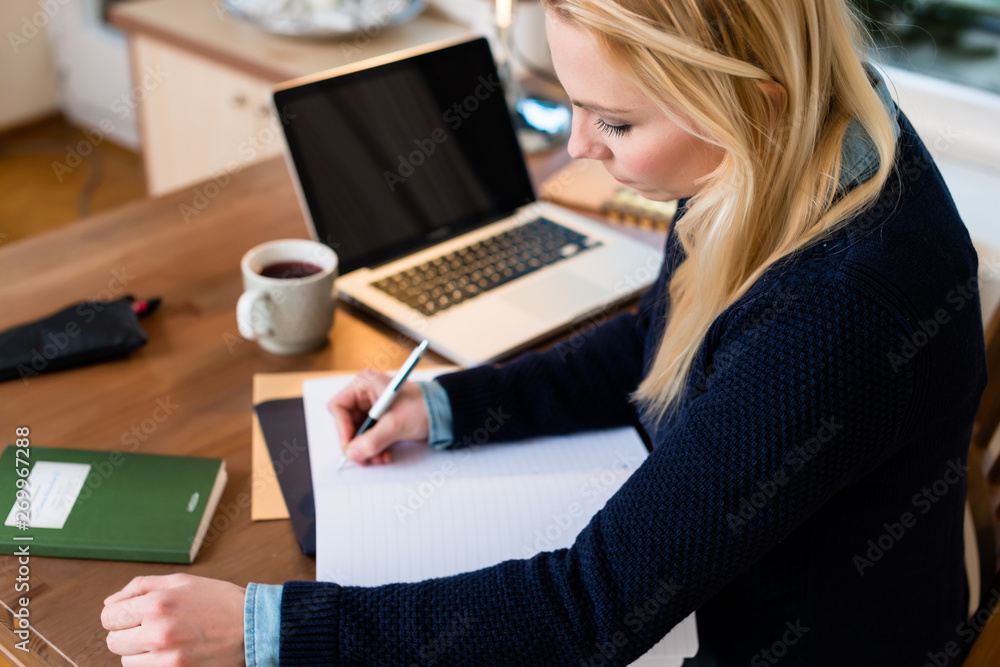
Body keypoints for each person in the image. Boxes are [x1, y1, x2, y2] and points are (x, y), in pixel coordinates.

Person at [101, 0, 987, 664]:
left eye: (614, 122)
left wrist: (264, 629)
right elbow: (659, 341)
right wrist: (447, 405)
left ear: (754, 102)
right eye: (571, 104)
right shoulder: (798, 140)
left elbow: (588, 611)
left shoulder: (840, 308)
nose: (577, 151)